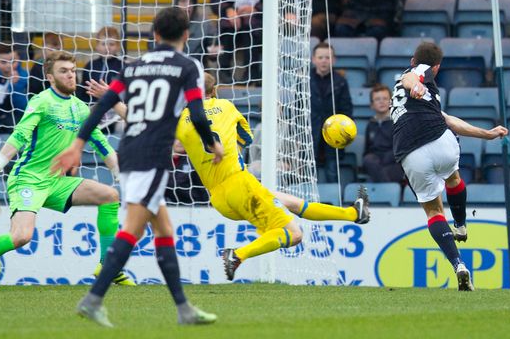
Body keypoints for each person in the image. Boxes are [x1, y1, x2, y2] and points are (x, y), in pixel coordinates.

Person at [89, 73, 370, 280]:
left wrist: (112, 100)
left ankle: (352, 214)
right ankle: (237, 255)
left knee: (289, 202)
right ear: (217, 91)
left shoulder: (179, 119)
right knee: (293, 233)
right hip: (239, 183)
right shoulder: (228, 107)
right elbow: (246, 138)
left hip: (219, 198)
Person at [54, 7, 224, 327]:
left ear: (154, 35)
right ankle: (93, 299)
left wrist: (77, 144)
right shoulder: (189, 66)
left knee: (163, 230)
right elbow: (198, 115)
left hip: (130, 150)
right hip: (153, 157)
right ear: (186, 35)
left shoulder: (134, 66)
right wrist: (211, 142)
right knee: (132, 229)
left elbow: (104, 104)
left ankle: (184, 309)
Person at [0, 51, 134, 287]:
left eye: (73, 71)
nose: (71, 76)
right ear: (50, 77)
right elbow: (19, 135)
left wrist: (119, 175)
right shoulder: (41, 101)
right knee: (21, 237)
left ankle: (107, 266)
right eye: (64, 71)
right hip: (28, 179)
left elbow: (103, 146)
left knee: (110, 196)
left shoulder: (81, 108)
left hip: (57, 182)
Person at [390, 42, 508, 291]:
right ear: (437, 67)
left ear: (413, 59)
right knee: (453, 179)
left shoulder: (415, 89)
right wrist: (486, 134)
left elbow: (444, 114)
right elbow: (411, 79)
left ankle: (458, 265)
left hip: (410, 150)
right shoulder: (420, 75)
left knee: (433, 212)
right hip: (439, 139)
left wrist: (486, 134)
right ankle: (462, 224)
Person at [310, 43, 352, 182]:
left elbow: (347, 109)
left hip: (334, 134)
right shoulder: (304, 80)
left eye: (327, 57)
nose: (323, 60)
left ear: (333, 60)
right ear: (313, 59)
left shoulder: (341, 82)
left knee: (332, 172)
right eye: (320, 57)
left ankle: (333, 201)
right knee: (309, 174)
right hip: (310, 133)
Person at [362, 84, 402, 182]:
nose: (381, 101)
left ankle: (384, 187)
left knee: (383, 172)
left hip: (393, 163)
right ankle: (389, 190)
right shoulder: (371, 124)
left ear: (390, 102)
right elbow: (367, 150)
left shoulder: (398, 122)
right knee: (368, 159)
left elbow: (401, 149)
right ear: (371, 105)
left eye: (385, 98)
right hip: (375, 162)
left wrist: (386, 159)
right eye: (377, 99)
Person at [77, 26, 124, 103]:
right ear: (97, 46)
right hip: (91, 106)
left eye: (111, 44)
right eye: (103, 44)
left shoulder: (122, 66)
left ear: (118, 46)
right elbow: (83, 91)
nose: (107, 48)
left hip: (114, 108)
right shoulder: (90, 65)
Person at [27, 32, 63, 96]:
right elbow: (33, 88)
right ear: (43, 49)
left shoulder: (66, 65)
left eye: (58, 49)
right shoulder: (38, 66)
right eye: (50, 49)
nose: (54, 52)